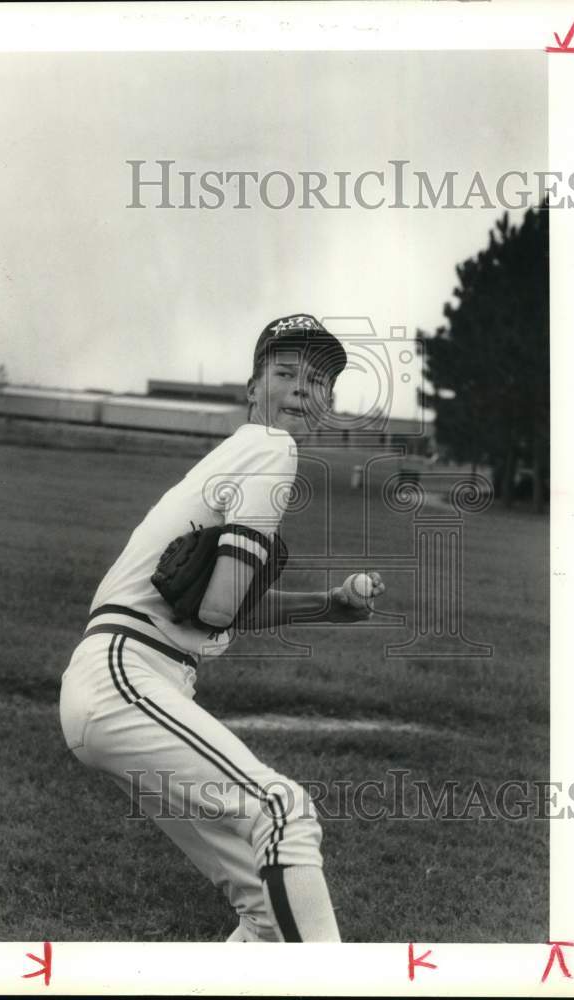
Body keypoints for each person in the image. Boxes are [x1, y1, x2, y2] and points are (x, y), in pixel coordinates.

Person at [59, 314, 385, 942]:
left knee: (265, 910)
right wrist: (249, 563)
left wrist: (326, 606)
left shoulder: (235, 457)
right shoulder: (270, 447)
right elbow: (214, 611)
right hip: (128, 675)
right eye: (285, 372)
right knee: (283, 812)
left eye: (317, 382)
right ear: (251, 389)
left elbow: (209, 608)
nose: (300, 389)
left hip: (124, 679)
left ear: (327, 405)